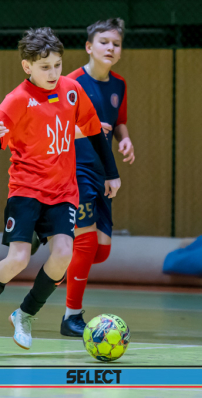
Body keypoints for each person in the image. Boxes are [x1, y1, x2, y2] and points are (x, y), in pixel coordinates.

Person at [0, 27, 118, 355]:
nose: (53, 73)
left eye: (58, 65)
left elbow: (94, 132)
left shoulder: (71, 90)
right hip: (26, 190)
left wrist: (111, 174)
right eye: (45, 67)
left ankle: (25, 314)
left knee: (63, 254)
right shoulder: (17, 100)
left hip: (63, 191)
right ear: (27, 66)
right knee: (18, 259)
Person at [60, 18, 135, 337]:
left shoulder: (119, 84)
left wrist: (124, 139)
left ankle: (57, 257)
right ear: (89, 47)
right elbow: (56, 125)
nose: (110, 48)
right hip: (77, 169)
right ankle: (71, 317)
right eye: (104, 42)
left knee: (100, 252)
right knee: (86, 243)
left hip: (104, 170)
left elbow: (119, 121)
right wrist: (85, 129)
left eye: (116, 44)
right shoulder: (70, 83)